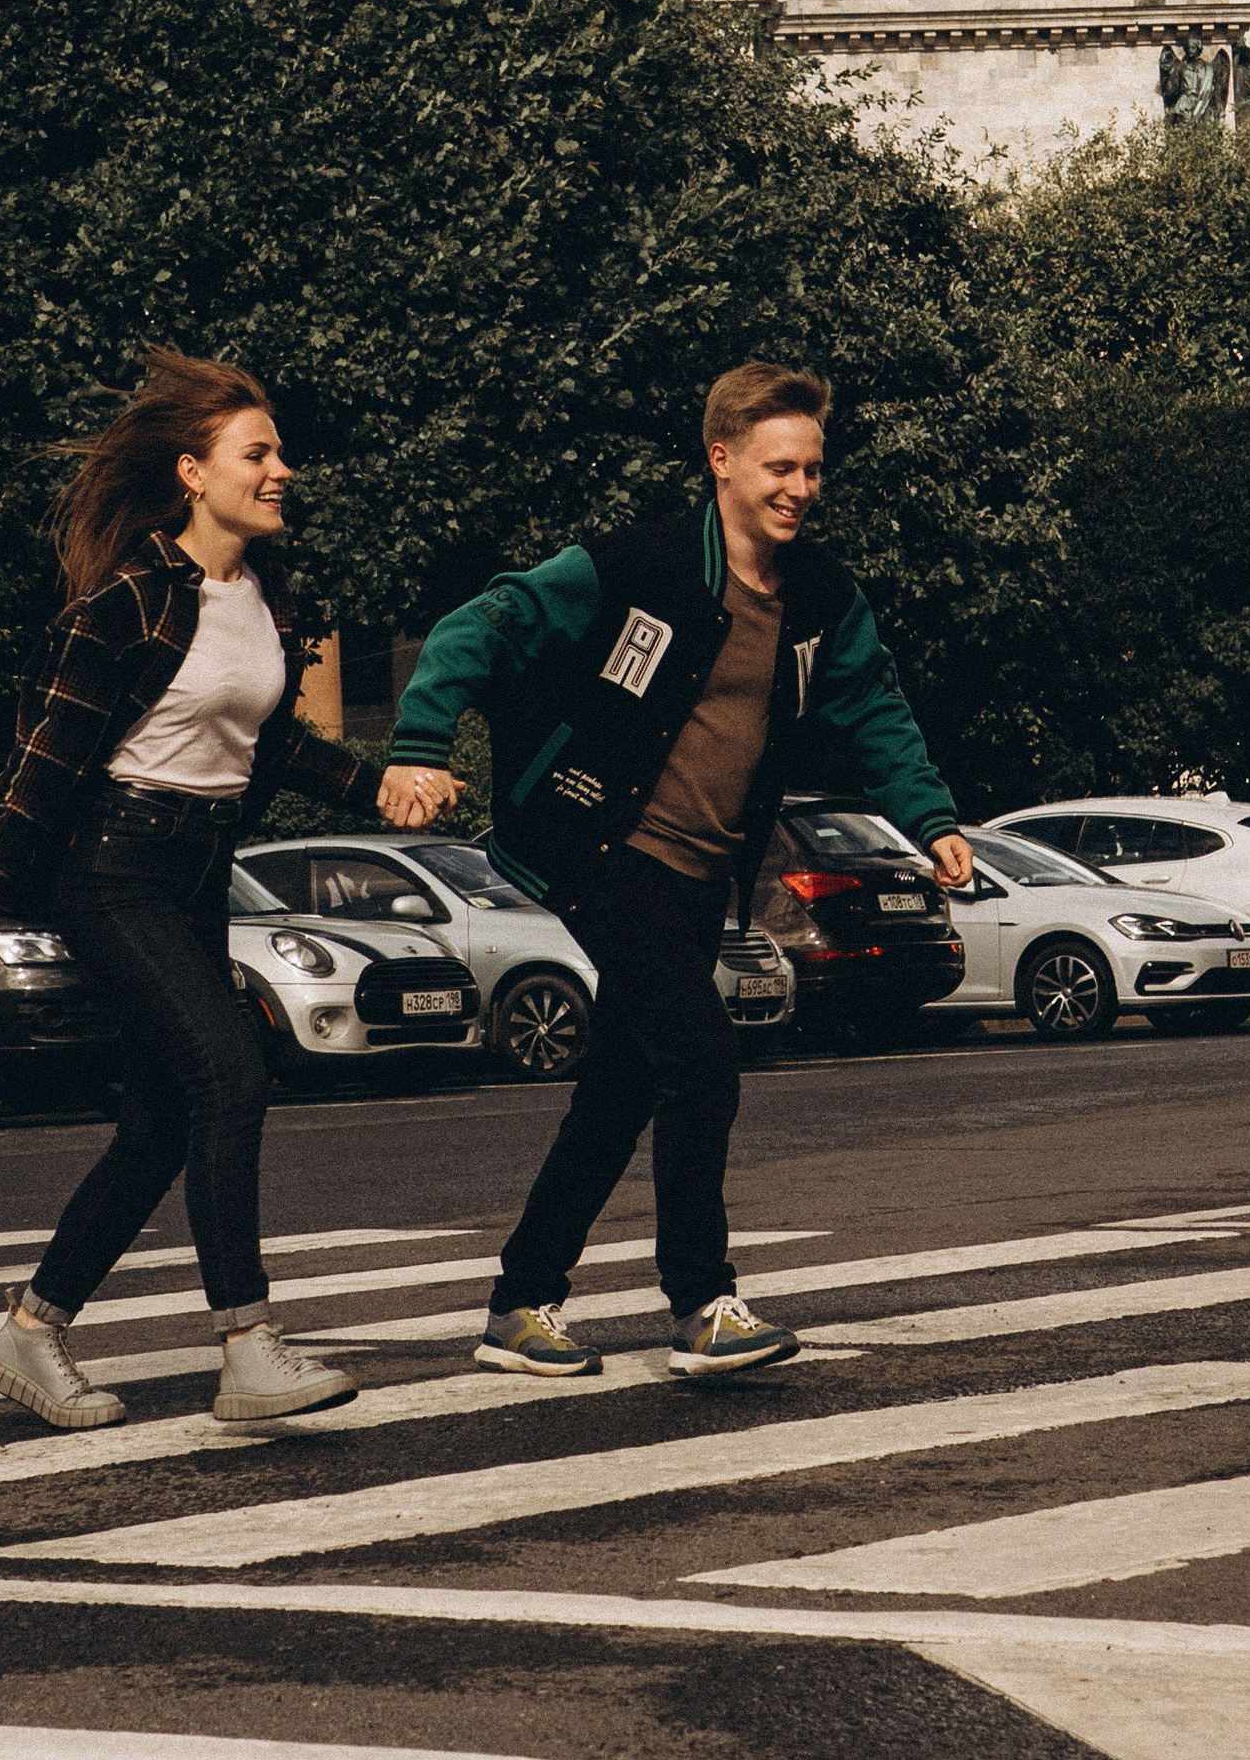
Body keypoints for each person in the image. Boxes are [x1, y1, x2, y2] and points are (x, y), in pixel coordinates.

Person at [379, 363, 972, 1380]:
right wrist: (419, 743)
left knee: (621, 1084)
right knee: (700, 1056)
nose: (800, 488)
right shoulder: (638, 565)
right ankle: (700, 1302)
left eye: (814, 470)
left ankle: (520, 1304)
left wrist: (931, 819)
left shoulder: (822, 596)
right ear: (722, 461)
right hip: (601, 850)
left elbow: (874, 707)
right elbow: (482, 623)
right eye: (780, 467)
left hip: (702, 874)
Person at [0, 351, 376, 1433]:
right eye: (256, 454)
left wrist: (378, 779)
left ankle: (32, 1332)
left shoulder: (260, 596)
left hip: (198, 869)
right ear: (191, 472)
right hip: (114, 868)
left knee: (166, 1119)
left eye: (278, 453)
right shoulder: (125, 604)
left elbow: (269, 748)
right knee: (231, 1070)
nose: (281, 471)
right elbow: (49, 757)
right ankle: (247, 1345)